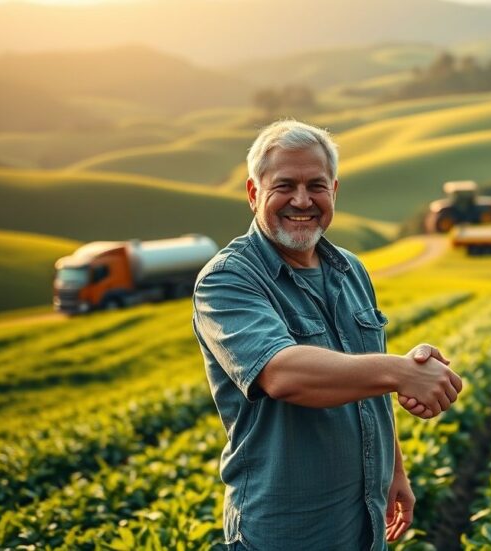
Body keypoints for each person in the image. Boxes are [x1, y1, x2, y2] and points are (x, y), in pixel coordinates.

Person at [192, 120, 463, 550]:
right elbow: (283, 374)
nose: (302, 200)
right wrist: (400, 372)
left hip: (364, 521)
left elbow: (365, 379)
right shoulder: (228, 279)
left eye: (316, 186)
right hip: (286, 532)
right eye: (284, 186)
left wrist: (395, 470)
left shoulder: (350, 270)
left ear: (333, 191)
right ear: (253, 193)